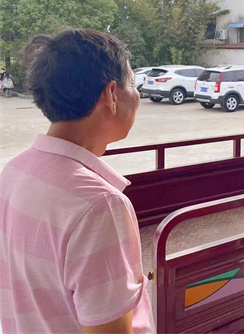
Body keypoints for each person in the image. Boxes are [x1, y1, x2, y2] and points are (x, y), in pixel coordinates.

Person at [0, 30, 155, 333]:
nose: (136, 96)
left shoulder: (14, 173)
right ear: (112, 95)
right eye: (133, 83)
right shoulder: (99, 205)